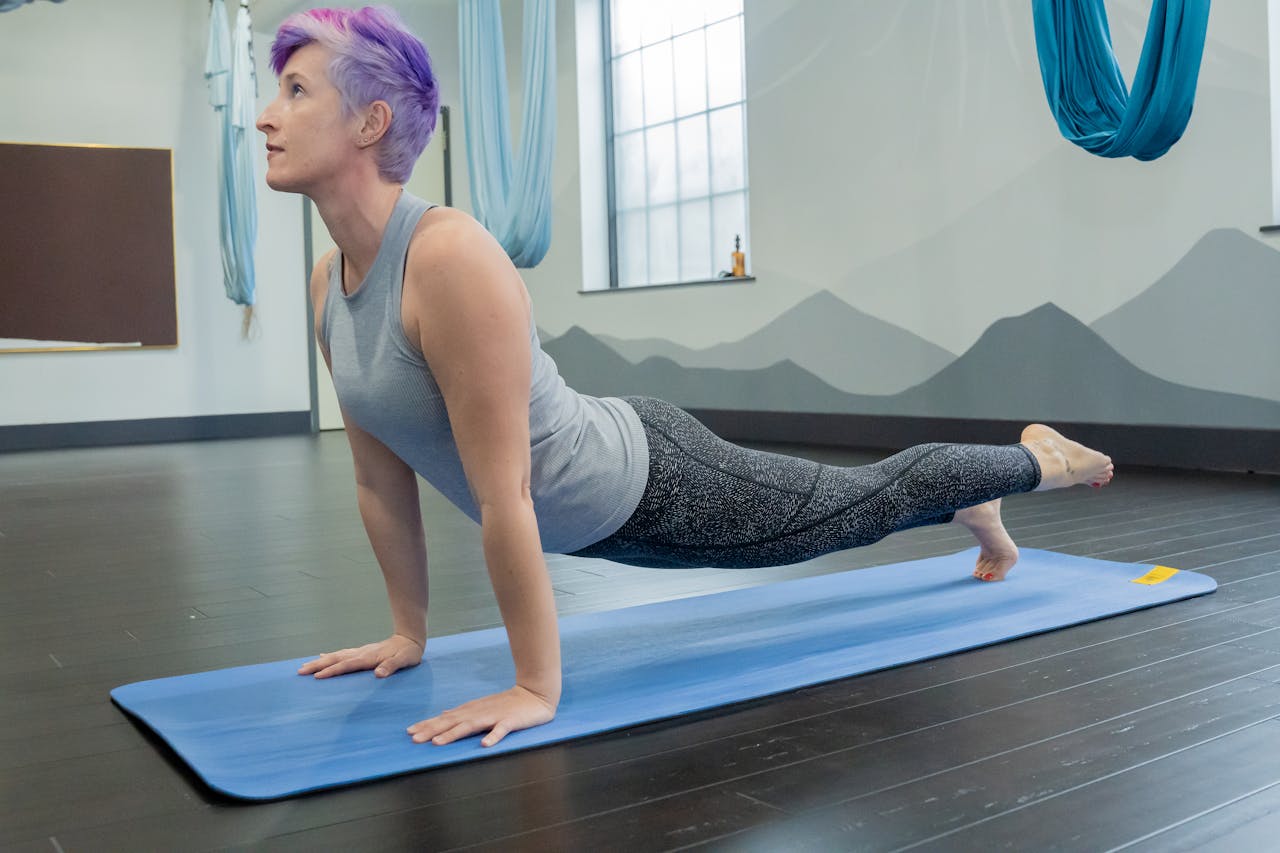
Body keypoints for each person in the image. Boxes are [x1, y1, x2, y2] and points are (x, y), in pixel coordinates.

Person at [255, 6, 1114, 750]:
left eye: (297, 90)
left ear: (370, 122)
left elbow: (506, 491)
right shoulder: (331, 283)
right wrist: (410, 632)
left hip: (654, 481)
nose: (267, 115)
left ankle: (1039, 460)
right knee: (863, 503)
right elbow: (378, 478)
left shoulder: (447, 257)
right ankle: (970, 498)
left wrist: (535, 687)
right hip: (593, 514)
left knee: (856, 507)